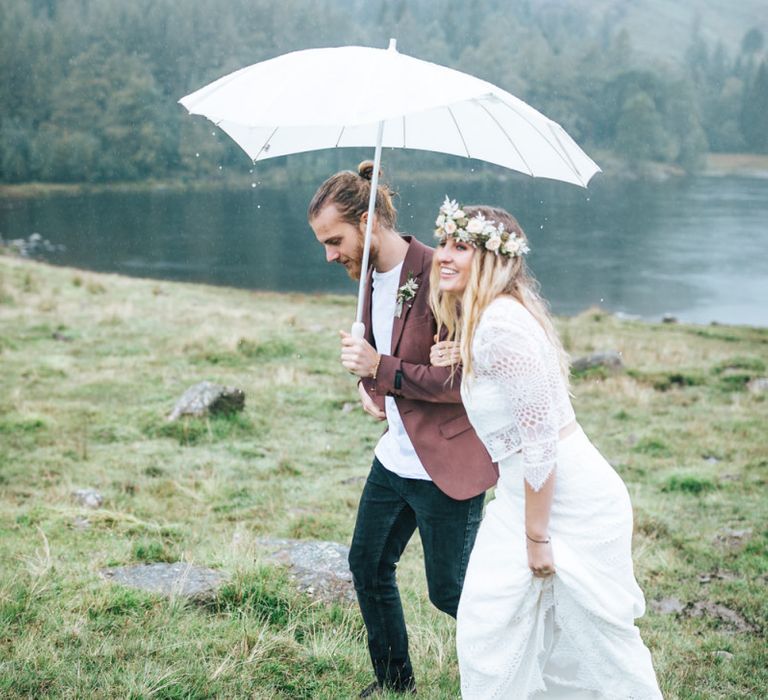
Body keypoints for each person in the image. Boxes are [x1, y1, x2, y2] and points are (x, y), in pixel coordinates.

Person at [429, 198, 663, 699]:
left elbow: (539, 443)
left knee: (600, 642)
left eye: (460, 246)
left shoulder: (501, 326)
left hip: (568, 503)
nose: (443, 255)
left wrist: (537, 537)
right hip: (523, 497)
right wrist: (462, 355)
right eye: (443, 242)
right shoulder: (485, 323)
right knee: (489, 622)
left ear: (492, 259)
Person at [307, 165, 498, 697]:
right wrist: (367, 387)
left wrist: (379, 370)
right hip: (394, 461)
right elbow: (383, 369)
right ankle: (395, 686)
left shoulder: (443, 272)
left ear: (367, 222)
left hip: (446, 466)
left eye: (335, 240)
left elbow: (461, 381)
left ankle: (525, 674)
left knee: (453, 593)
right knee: (366, 567)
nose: (329, 255)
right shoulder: (366, 278)